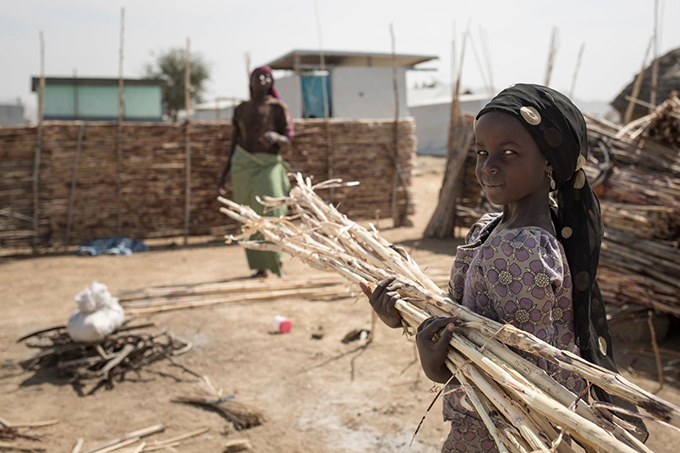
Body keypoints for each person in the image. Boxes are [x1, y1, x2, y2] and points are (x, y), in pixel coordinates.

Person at [361, 84, 647, 452]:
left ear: (549, 162)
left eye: (508, 153)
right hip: (488, 423)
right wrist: (405, 316)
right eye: (482, 152)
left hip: (510, 434)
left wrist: (438, 369)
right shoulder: (490, 229)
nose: (488, 166)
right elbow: (460, 316)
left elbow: (520, 373)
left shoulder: (526, 249)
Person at [218, 66, 294, 278]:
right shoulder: (241, 109)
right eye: (257, 76)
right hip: (242, 166)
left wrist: (277, 138)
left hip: (268, 165)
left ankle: (278, 261)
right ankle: (260, 267)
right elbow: (235, 141)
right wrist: (224, 175)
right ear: (250, 82)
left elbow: (288, 139)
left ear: (271, 82)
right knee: (248, 217)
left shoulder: (278, 108)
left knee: (273, 212)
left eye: (266, 76)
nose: (262, 79)